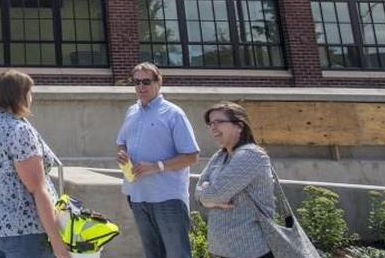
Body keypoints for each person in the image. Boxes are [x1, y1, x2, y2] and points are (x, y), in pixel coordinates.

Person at [0, 70, 69, 258]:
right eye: (29, 92)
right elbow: (37, 188)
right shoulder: (19, 130)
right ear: (19, 96)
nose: (31, 97)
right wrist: (57, 240)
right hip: (23, 229)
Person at [115, 63, 200, 258]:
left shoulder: (173, 113)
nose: (141, 87)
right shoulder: (131, 112)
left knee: (177, 254)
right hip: (137, 195)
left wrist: (156, 167)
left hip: (167, 197)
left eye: (146, 81)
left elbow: (192, 156)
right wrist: (122, 154)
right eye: (136, 82)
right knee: (152, 254)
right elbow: (121, 143)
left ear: (159, 82)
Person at [195, 102, 275, 258]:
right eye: (210, 123)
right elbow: (197, 192)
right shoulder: (219, 156)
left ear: (239, 126)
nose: (213, 127)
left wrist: (209, 197)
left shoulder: (251, 155)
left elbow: (213, 195)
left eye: (218, 122)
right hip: (219, 250)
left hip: (249, 251)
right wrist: (207, 196)